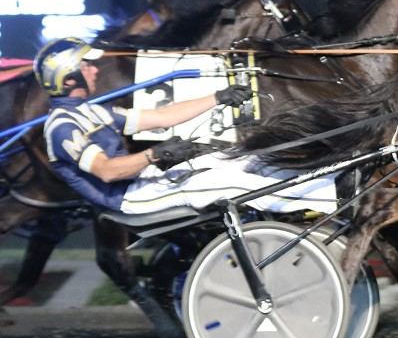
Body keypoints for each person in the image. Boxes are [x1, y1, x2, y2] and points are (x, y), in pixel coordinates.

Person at [35, 37, 338, 216]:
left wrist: (219, 97)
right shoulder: (62, 128)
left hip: (149, 177)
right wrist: (155, 154)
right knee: (234, 185)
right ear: (68, 76)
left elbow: (163, 117)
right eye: (86, 65)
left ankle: (327, 184)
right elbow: (107, 171)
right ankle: (327, 207)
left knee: (240, 157)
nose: (94, 69)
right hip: (130, 196)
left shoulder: (93, 111)